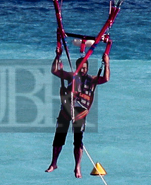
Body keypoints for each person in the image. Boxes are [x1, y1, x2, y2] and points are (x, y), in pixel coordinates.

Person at [46, 37, 109, 177]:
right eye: (81, 68)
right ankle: (53, 163)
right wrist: (57, 56)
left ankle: (77, 167)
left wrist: (107, 63)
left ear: (87, 68)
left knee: (78, 141)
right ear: (77, 67)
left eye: (85, 68)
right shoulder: (71, 76)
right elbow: (55, 71)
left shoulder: (91, 80)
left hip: (80, 113)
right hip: (66, 111)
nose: (83, 70)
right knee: (58, 138)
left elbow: (105, 79)